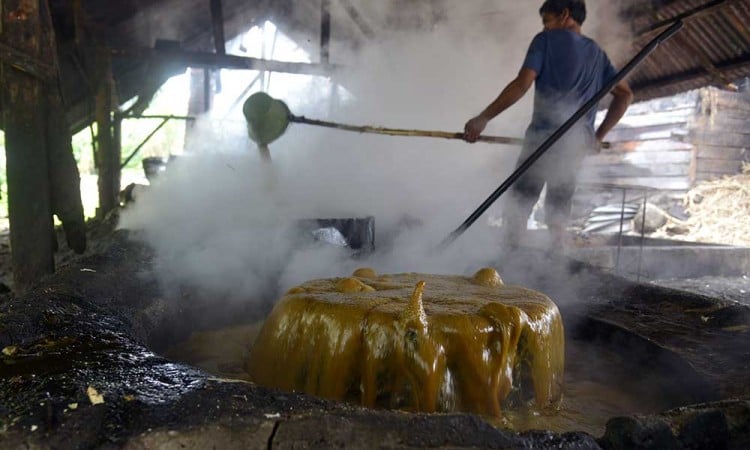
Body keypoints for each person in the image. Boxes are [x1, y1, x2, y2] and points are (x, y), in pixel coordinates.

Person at [464, 0, 633, 251]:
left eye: (546, 21)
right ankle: (556, 267)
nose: (544, 28)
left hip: (541, 142)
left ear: (565, 15)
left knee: (520, 204)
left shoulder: (545, 41)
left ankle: (511, 262)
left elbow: (522, 84)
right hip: (574, 146)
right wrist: (597, 136)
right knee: (558, 208)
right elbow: (625, 95)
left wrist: (483, 118)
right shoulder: (597, 54)